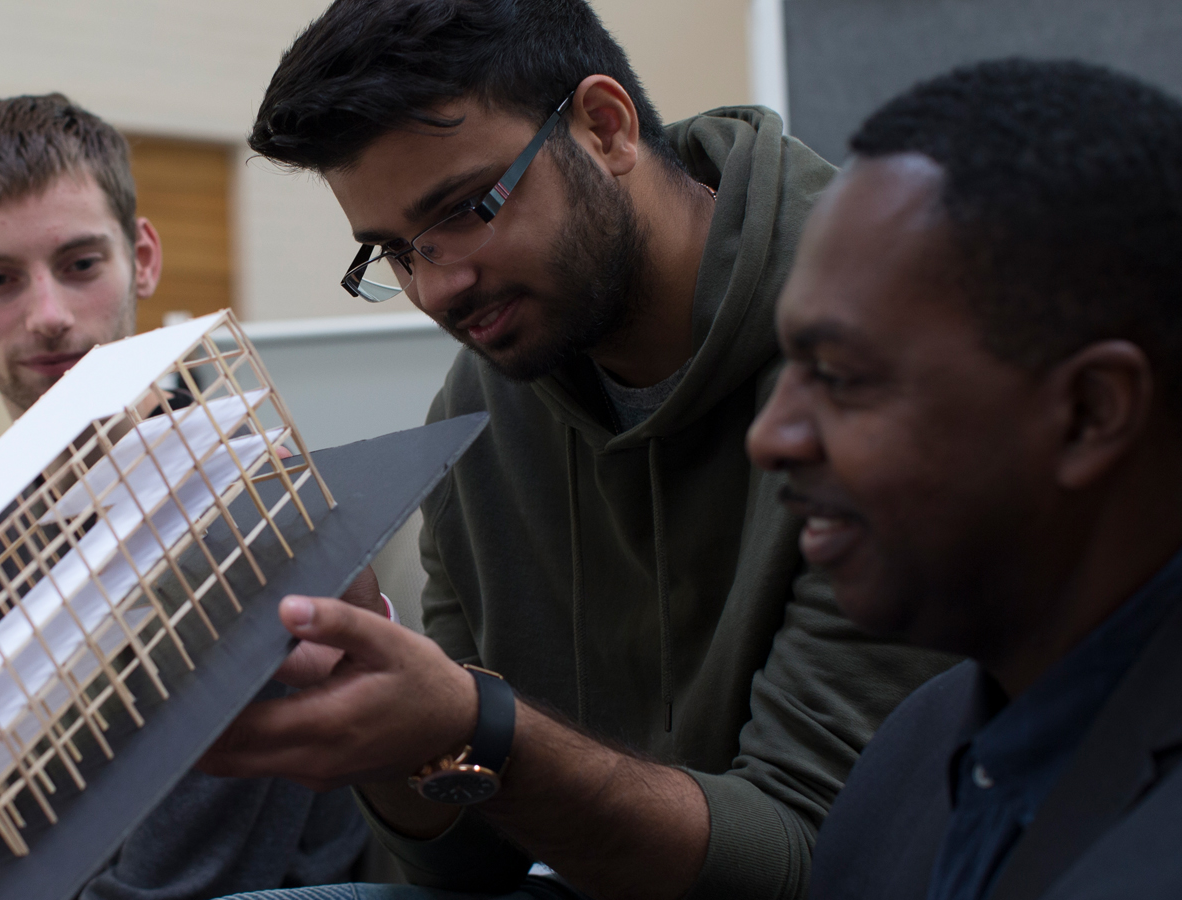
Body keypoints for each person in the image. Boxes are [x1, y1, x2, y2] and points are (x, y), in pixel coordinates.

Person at [202, 1, 955, 898]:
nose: (440, 286)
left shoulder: (897, 349)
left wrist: (485, 727)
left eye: (469, 207)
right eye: (396, 252)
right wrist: (374, 696)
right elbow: (457, 867)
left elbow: (810, 864)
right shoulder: (484, 405)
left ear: (605, 127)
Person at [0, 93, 371, 899]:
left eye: (81, 265)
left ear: (143, 258)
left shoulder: (245, 501)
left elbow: (176, 887)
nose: (49, 316)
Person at [746, 59, 1182, 900]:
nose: (772, 436)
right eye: (788, 367)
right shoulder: (915, 749)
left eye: (838, 376)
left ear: (1091, 412)